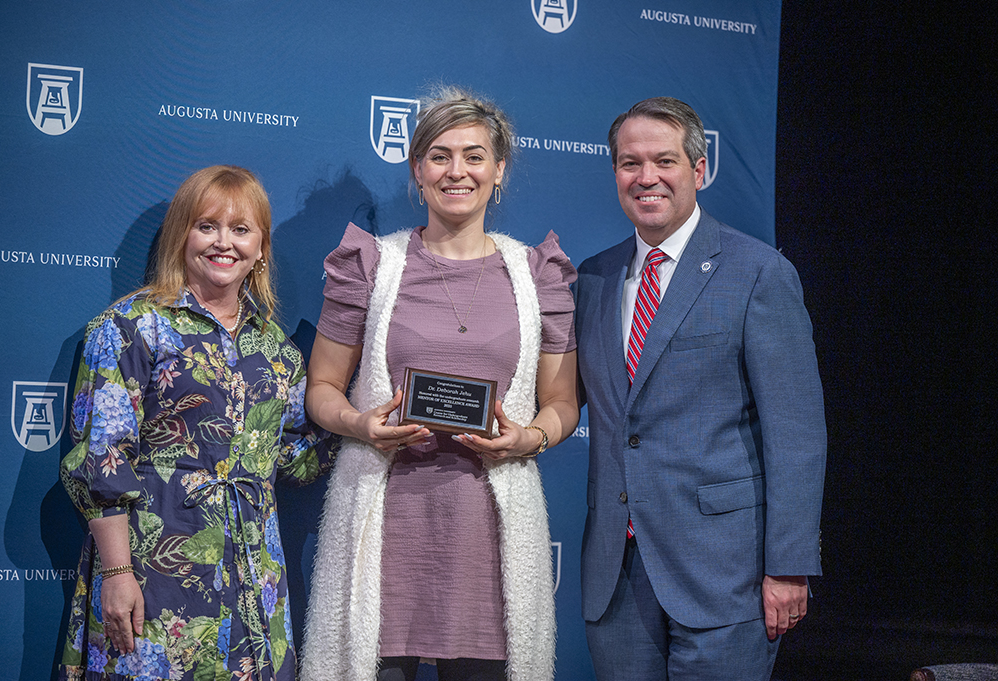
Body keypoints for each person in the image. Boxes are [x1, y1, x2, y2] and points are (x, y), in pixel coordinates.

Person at [299, 87, 579, 681]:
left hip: (489, 543)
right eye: (440, 155)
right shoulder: (371, 265)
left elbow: (561, 402)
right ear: (417, 170)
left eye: (475, 155)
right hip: (383, 534)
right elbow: (322, 387)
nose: (458, 171)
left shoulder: (537, 276)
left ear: (499, 170)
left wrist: (528, 438)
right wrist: (357, 423)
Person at [575, 97, 827, 680]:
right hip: (616, 575)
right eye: (629, 163)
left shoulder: (758, 272)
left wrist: (788, 567)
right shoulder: (592, 278)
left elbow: (796, 434)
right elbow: (560, 401)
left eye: (663, 160)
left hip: (725, 576)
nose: (646, 177)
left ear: (699, 168)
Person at [59, 165, 336, 681]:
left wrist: (367, 420)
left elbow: (294, 462)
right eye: (207, 226)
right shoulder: (131, 328)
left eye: (240, 229)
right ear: (181, 234)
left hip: (255, 584)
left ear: (262, 248)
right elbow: (100, 459)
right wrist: (118, 573)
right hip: (152, 571)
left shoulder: (276, 350)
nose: (223, 243)